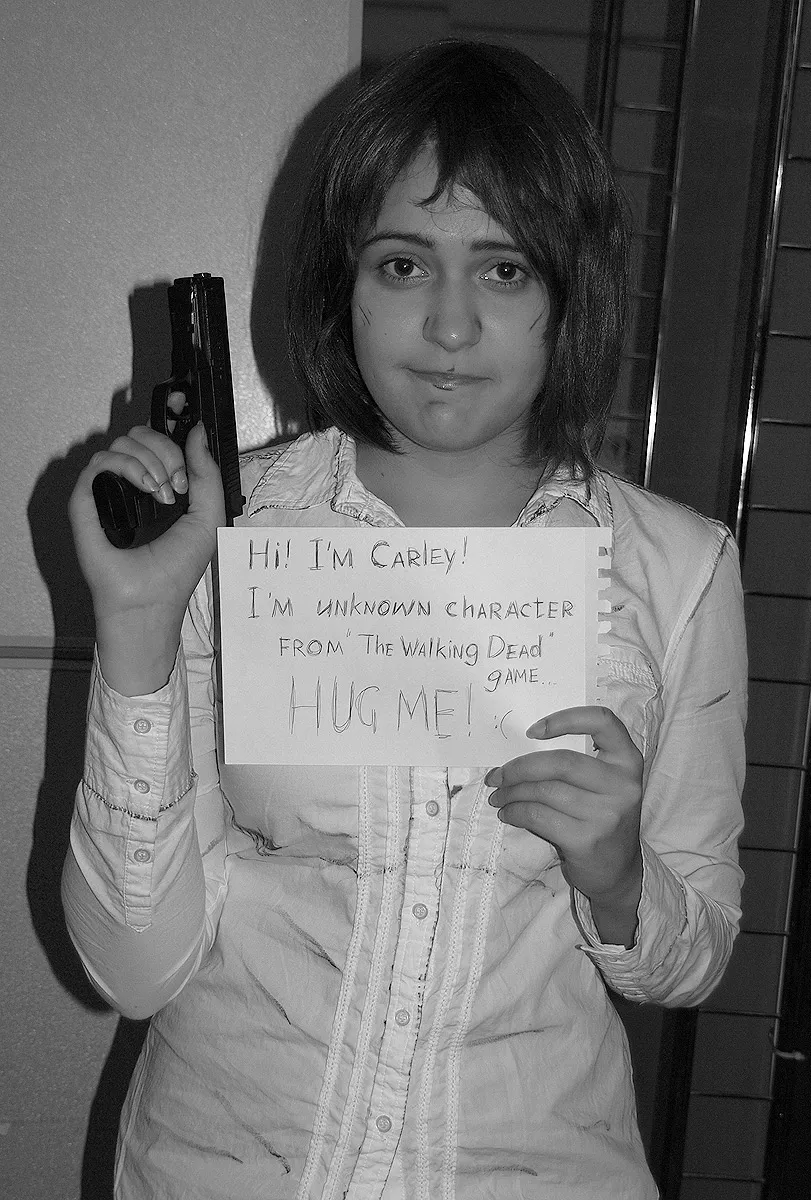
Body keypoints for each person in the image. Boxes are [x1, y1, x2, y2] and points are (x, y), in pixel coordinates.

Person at [64, 39, 747, 1200]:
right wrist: (138, 630)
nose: (448, 327)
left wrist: (621, 879)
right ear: (346, 282)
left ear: (571, 291)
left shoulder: (678, 570)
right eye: (401, 264)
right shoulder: (229, 538)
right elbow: (132, 970)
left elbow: (694, 962)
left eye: (505, 270)